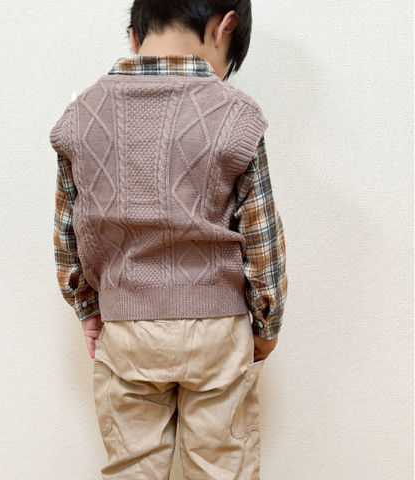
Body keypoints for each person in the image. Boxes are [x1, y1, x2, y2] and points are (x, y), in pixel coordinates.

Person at [49, 1, 288, 478]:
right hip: (217, 329)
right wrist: (267, 321)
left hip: (127, 327)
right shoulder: (236, 114)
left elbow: (68, 231)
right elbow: (261, 233)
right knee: (222, 467)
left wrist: (88, 308)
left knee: (133, 467)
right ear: (225, 28)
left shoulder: (80, 116)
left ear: (135, 36)